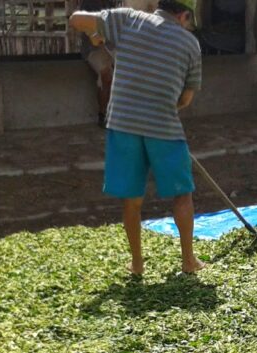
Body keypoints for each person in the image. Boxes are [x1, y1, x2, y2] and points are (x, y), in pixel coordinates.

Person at [70, 0, 204, 275]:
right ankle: (189, 261)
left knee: (132, 197)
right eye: (189, 21)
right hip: (164, 128)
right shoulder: (190, 44)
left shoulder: (128, 20)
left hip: (123, 126)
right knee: (182, 194)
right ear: (184, 15)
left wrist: (95, 33)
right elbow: (186, 98)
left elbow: (76, 19)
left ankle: (137, 264)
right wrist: (165, 108)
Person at [78, 0, 115, 128]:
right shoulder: (88, 4)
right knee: (106, 74)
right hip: (94, 48)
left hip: (111, 47)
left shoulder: (111, 4)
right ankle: (103, 114)